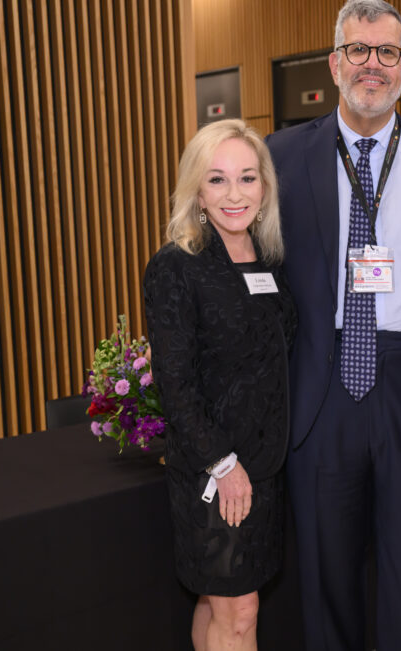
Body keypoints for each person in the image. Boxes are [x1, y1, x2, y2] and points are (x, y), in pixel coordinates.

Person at [264, 0, 401, 650]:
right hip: (322, 387)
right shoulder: (280, 157)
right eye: (358, 49)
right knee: (326, 569)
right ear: (334, 63)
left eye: (386, 52)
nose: (371, 64)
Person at [144, 118, 297, 651]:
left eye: (248, 178)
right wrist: (224, 464)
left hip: (267, 467)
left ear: (265, 188)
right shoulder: (177, 267)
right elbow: (175, 381)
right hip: (217, 472)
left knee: (219, 601)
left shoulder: (270, 260)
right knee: (239, 611)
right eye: (217, 179)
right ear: (196, 191)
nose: (235, 194)